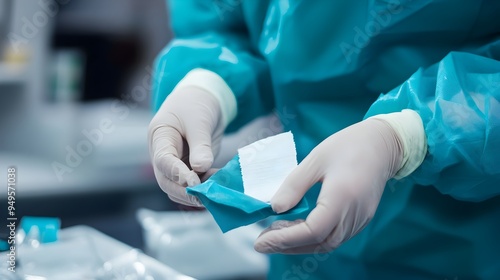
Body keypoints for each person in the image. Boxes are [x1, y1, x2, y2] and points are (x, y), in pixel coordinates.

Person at [148, 1, 500, 278]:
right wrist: (207, 82)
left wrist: (412, 134)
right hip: (306, 246)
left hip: (468, 249)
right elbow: (229, 22)